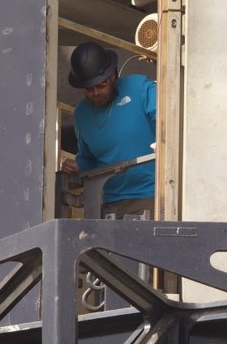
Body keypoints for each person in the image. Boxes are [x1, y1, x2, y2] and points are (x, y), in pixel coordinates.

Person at [61, 41, 157, 219]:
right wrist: (78, 167)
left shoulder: (139, 88)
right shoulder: (81, 114)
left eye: (101, 85)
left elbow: (167, 119)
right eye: (89, 89)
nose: (96, 92)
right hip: (110, 203)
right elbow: (88, 159)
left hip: (151, 195)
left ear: (113, 75)